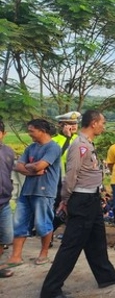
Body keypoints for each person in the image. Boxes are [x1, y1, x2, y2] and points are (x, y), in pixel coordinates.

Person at [40, 110, 115, 298]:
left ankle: (106, 275)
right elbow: (71, 175)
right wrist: (65, 200)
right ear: (94, 123)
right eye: (103, 123)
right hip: (81, 200)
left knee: (97, 240)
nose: (104, 126)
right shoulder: (79, 146)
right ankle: (51, 289)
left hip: (92, 199)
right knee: (71, 246)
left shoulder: (87, 143)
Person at [6, 119, 61, 268]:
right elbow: (18, 166)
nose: (29, 133)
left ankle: (44, 253)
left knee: (42, 223)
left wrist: (28, 168)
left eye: (31, 130)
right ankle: (16, 256)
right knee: (19, 223)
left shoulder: (53, 148)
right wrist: (32, 170)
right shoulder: (31, 148)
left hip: (44, 192)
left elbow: (40, 166)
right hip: (27, 190)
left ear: (42, 130)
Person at [52, 111, 81, 231]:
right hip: (58, 180)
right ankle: (49, 234)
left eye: (75, 123)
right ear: (61, 125)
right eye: (69, 123)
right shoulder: (54, 140)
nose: (73, 126)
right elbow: (59, 155)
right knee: (56, 207)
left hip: (75, 180)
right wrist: (67, 138)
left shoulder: (80, 139)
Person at [0, 119, 16, 278]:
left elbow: (13, 169)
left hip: (4, 203)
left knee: (5, 236)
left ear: (4, 134)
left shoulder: (8, 151)